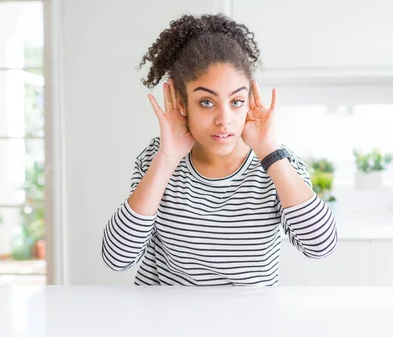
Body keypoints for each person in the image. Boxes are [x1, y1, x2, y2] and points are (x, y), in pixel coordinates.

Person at [101, 13, 337, 286]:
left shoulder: (277, 162)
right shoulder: (158, 158)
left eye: (236, 101)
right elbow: (116, 259)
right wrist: (166, 159)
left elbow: (321, 246)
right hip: (167, 322)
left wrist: (269, 150)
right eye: (206, 102)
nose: (224, 119)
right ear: (181, 102)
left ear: (249, 100)